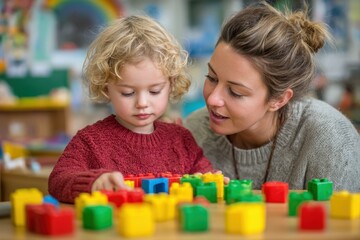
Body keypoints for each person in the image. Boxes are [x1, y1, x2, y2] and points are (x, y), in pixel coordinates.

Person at [184, 1, 360, 192]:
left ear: (279, 100)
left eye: (236, 92)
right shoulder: (194, 132)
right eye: (211, 78)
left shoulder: (328, 137)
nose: (211, 99)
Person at [48, 15, 214, 203]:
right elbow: (58, 180)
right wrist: (93, 183)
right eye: (127, 93)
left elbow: (205, 176)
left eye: (154, 91)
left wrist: (213, 182)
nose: (142, 102)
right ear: (105, 88)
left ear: (171, 83)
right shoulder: (90, 141)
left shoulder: (181, 139)